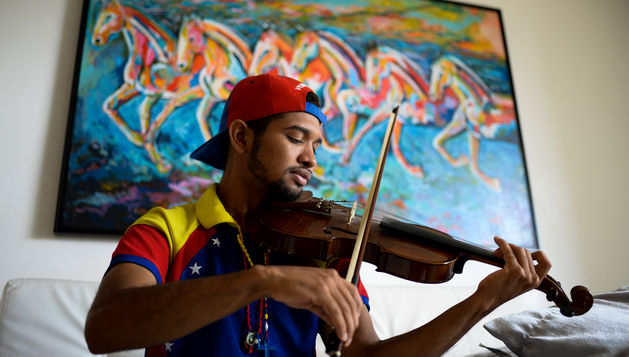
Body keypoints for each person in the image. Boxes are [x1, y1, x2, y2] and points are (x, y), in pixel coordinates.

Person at [85, 73, 551, 357]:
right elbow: (105, 327)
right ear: (242, 137)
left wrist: (480, 303)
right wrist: (262, 281)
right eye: (295, 137)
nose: (312, 160)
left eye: (316, 144)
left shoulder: (320, 247)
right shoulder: (164, 230)